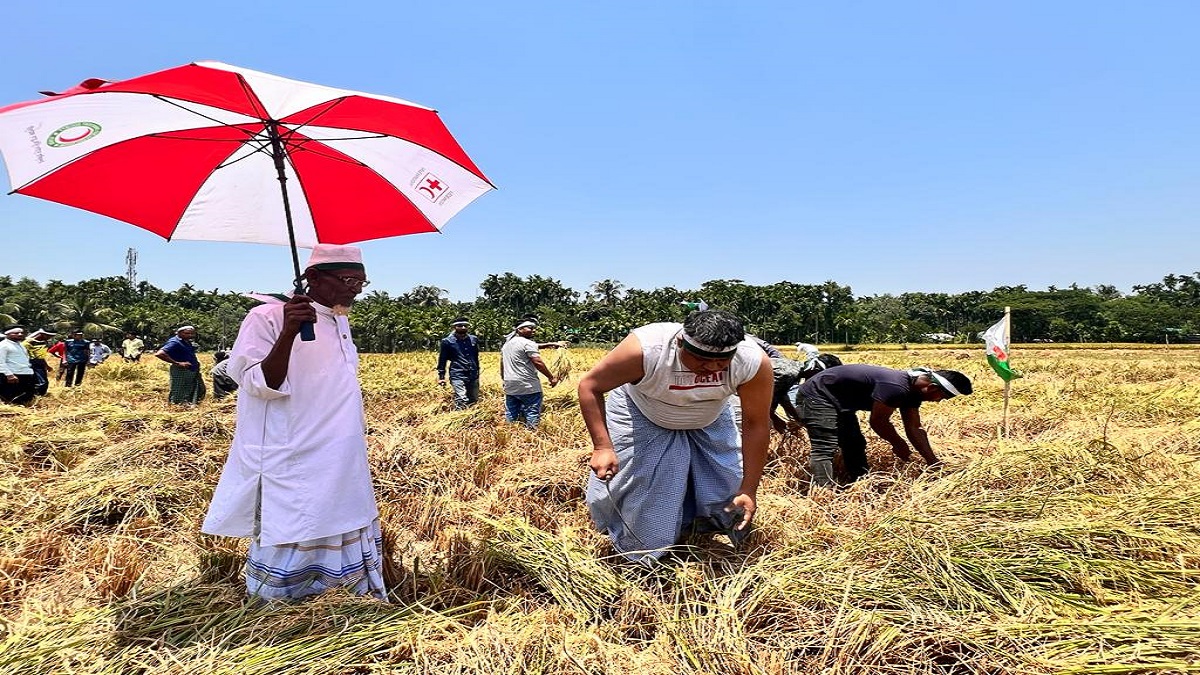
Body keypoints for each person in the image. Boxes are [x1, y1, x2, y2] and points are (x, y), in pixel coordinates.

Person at [201, 244, 385, 602]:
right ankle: (285, 604)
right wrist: (288, 331)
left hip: (341, 448)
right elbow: (257, 383)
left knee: (342, 513)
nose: (355, 290)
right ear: (313, 277)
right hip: (293, 449)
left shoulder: (338, 318)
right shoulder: (267, 316)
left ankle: (345, 596)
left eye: (361, 283)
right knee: (297, 520)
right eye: (349, 281)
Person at [579, 310, 773, 564]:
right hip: (643, 409)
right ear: (681, 343)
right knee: (640, 485)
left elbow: (756, 424)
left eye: (722, 360)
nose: (713, 367)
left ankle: (705, 526)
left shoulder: (751, 361)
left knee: (725, 479)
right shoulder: (647, 350)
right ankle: (638, 547)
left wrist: (749, 488)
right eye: (703, 359)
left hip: (709, 414)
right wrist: (602, 446)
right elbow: (589, 386)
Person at [797, 364, 972, 488]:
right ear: (932, 388)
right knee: (824, 446)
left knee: (854, 443)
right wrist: (898, 443)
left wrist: (933, 463)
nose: (939, 401)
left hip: (840, 401)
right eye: (942, 397)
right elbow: (878, 422)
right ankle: (825, 493)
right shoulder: (897, 387)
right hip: (817, 396)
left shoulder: (913, 393)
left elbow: (914, 429)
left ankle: (860, 483)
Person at [500, 319, 560, 428]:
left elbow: (502, 364)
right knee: (532, 411)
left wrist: (504, 379)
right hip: (528, 384)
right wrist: (551, 377)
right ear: (520, 329)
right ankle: (531, 435)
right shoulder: (528, 343)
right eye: (530, 328)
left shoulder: (507, 345)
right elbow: (537, 361)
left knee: (511, 412)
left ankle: (510, 433)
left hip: (510, 384)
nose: (534, 330)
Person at [770, 353, 843, 434]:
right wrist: (775, 419)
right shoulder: (787, 374)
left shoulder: (794, 371)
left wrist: (800, 420)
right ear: (816, 370)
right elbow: (755, 401)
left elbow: (782, 397)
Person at [437, 317, 481, 409]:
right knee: (462, 398)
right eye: (460, 326)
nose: (463, 327)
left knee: (473, 400)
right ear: (454, 327)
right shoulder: (447, 342)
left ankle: (471, 419)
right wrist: (441, 376)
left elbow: (476, 357)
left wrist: (477, 371)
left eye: (465, 326)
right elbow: (442, 359)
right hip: (457, 373)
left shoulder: (473, 339)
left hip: (472, 374)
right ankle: (459, 417)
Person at [154, 326, 205, 405]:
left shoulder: (186, 341)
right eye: (187, 333)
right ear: (179, 333)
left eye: (192, 333)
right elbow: (160, 354)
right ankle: (176, 406)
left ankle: (189, 404)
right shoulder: (175, 342)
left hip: (191, 370)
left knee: (195, 389)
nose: (190, 335)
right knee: (179, 391)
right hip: (181, 371)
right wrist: (177, 363)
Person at [1, 326, 37, 405]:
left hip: (25, 373)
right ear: (7, 334)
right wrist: (9, 375)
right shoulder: (3, 345)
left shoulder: (20, 345)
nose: (20, 334)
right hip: (13, 375)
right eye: (16, 333)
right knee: (12, 398)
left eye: (21, 333)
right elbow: (1, 361)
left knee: (27, 397)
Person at [24, 328, 56, 396]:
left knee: (43, 382)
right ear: (43, 334)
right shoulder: (28, 342)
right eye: (49, 336)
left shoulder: (44, 342)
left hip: (39, 364)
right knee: (41, 383)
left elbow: (40, 356)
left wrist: (46, 366)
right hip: (30, 364)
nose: (49, 338)